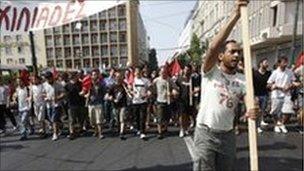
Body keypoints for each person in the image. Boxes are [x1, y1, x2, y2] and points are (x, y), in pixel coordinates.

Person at [193, 1, 260, 170]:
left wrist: (254, 110)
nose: (237, 55)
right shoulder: (210, 71)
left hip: (228, 136)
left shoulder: (244, 80)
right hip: (206, 134)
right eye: (232, 51)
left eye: (239, 52)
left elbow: (250, 104)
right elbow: (213, 46)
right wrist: (235, 15)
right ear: (221, 56)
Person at [267, 57, 296, 133]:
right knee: (274, 112)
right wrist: (276, 86)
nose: (285, 64)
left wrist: (290, 86)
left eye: (286, 62)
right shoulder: (275, 72)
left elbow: (294, 82)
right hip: (276, 95)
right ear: (279, 63)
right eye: (284, 62)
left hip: (287, 94)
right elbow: (269, 83)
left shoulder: (289, 72)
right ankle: (277, 124)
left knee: (288, 111)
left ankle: (282, 124)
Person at [152, 67, 175, 139]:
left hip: (168, 101)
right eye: (162, 72)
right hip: (160, 101)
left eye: (165, 72)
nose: (163, 73)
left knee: (167, 117)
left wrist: (172, 92)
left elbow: (175, 88)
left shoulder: (169, 80)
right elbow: (151, 88)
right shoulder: (156, 80)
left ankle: (165, 128)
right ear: (159, 73)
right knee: (160, 117)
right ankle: (159, 132)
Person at [43, 72, 65, 141]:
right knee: (51, 119)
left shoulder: (58, 84)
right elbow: (43, 93)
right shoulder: (44, 85)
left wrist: (58, 97)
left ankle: (55, 134)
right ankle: (60, 124)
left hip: (56, 104)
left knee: (54, 119)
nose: (48, 80)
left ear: (52, 77)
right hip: (48, 105)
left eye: (49, 78)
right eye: (47, 78)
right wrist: (45, 97)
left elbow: (63, 93)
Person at [130, 66, 151, 140]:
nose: (137, 73)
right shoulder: (132, 80)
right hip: (135, 101)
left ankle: (143, 132)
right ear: (135, 73)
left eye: (139, 71)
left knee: (143, 117)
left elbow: (150, 89)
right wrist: (132, 92)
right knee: (137, 117)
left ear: (141, 72)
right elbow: (129, 89)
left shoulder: (145, 80)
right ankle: (138, 128)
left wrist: (147, 94)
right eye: (136, 72)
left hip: (143, 101)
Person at [253, 58, 271, 133]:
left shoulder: (269, 73)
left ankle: (260, 123)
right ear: (260, 64)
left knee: (262, 110)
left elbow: (271, 82)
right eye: (265, 62)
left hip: (265, 94)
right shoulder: (254, 73)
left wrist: (270, 86)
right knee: (257, 111)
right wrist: (253, 95)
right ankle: (256, 126)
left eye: (267, 62)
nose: (267, 64)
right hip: (256, 95)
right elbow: (252, 84)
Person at [108, 72, 128, 140]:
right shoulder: (112, 86)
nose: (118, 78)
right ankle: (119, 129)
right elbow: (108, 95)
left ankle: (121, 133)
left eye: (120, 77)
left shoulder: (124, 85)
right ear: (115, 78)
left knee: (122, 119)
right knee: (117, 119)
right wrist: (112, 99)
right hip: (115, 105)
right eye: (117, 77)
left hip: (123, 104)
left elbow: (128, 92)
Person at [87, 70, 106, 139]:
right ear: (91, 76)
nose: (94, 76)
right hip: (91, 104)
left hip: (99, 103)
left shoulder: (101, 84)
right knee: (92, 120)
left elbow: (105, 92)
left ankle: (100, 133)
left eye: (95, 74)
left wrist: (105, 96)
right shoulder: (88, 84)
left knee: (99, 120)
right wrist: (86, 95)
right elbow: (85, 92)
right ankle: (96, 130)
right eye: (93, 74)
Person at [64, 72, 83, 140]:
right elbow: (65, 94)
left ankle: (80, 129)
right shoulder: (67, 85)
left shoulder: (79, 84)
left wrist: (82, 93)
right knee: (71, 119)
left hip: (79, 103)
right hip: (71, 104)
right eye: (74, 76)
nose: (76, 77)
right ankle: (71, 132)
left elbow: (83, 91)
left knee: (80, 118)